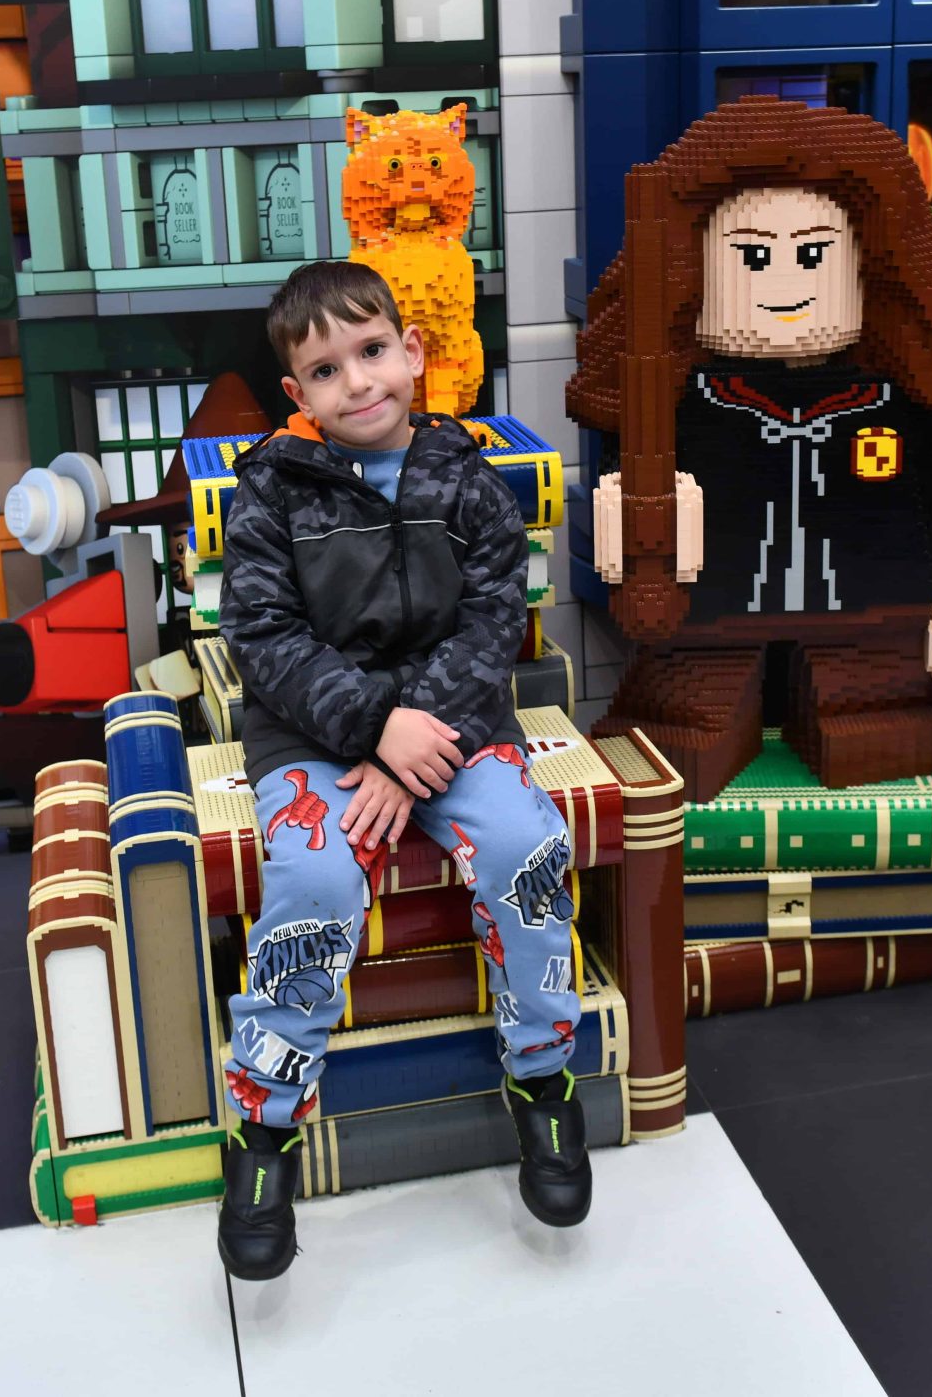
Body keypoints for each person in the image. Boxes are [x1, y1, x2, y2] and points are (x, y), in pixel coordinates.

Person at [215, 260, 586, 1281]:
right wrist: (377, 730)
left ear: (413, 353)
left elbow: (492, 622)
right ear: (297, 394)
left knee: (525, 846)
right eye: (326, 370)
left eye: (372, 351)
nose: (358, 381)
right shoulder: (270, 492)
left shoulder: (466, 478)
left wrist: (413, 747)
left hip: (454, 724)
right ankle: (264, 1126)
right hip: (315, 733)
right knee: (315, 880)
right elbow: (263, 636)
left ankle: (543, 1077)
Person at [569, 96, 932, 803]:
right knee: (683, 720)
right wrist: (625, 517)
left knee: (876, 718)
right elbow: (623, 479)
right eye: (753, 256)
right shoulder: (676, 402)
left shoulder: (899, 400)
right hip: (710, 623)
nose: (786, 286)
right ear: (692, 266)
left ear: (872, 263)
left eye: (814, 254)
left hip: (869, 620)